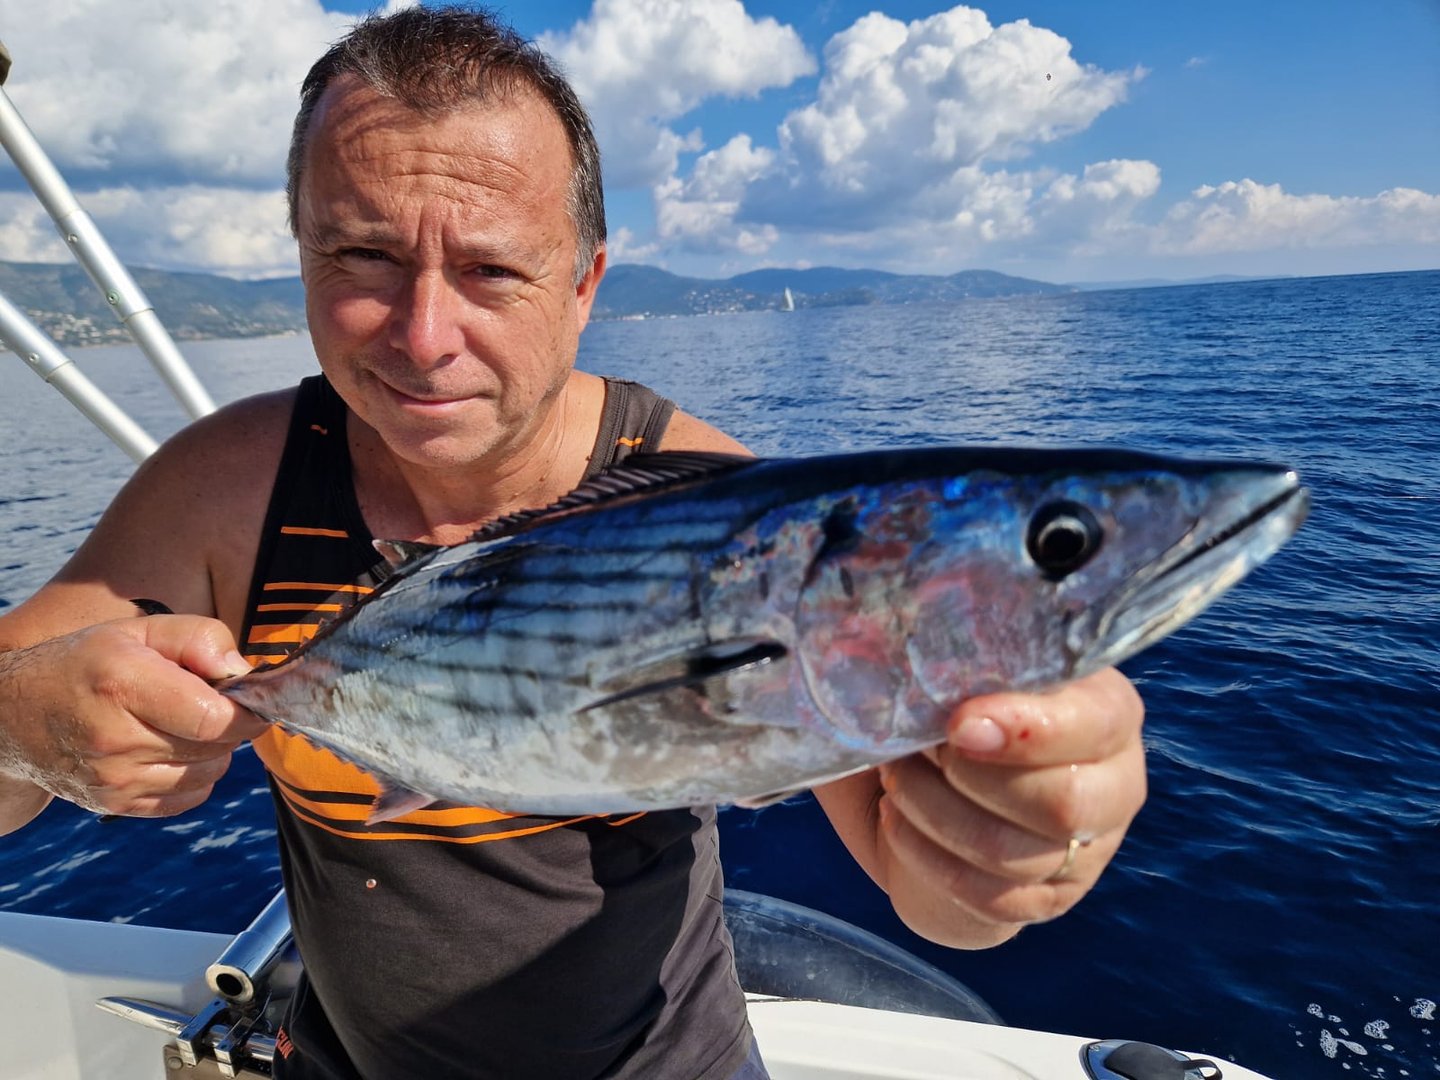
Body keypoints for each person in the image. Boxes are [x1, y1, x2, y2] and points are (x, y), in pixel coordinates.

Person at [0, 8, 1146, 1079]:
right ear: (300, 252)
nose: (425, 337)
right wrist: (21, 723)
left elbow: (923, 883)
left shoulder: (729, 519)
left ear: (586, 281)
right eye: (361, 258)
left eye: (493, 269)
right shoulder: (226, 491)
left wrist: (1009, 857)